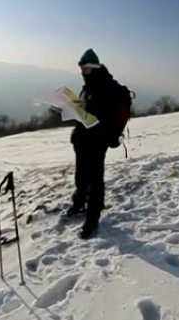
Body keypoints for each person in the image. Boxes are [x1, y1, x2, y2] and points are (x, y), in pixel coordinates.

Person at [66, 48, 119, 239]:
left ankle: (92, 218)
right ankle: (79, 203)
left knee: (95, 180)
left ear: (94, 67)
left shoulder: (104, 87)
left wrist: (81, 113)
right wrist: (67, 109)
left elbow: (100, 118)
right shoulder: (87, 86)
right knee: (81, 175)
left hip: (97, 141)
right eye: (80, 67)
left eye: (85, 67)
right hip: (82, 139)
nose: (82, 71)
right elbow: (83, 112)